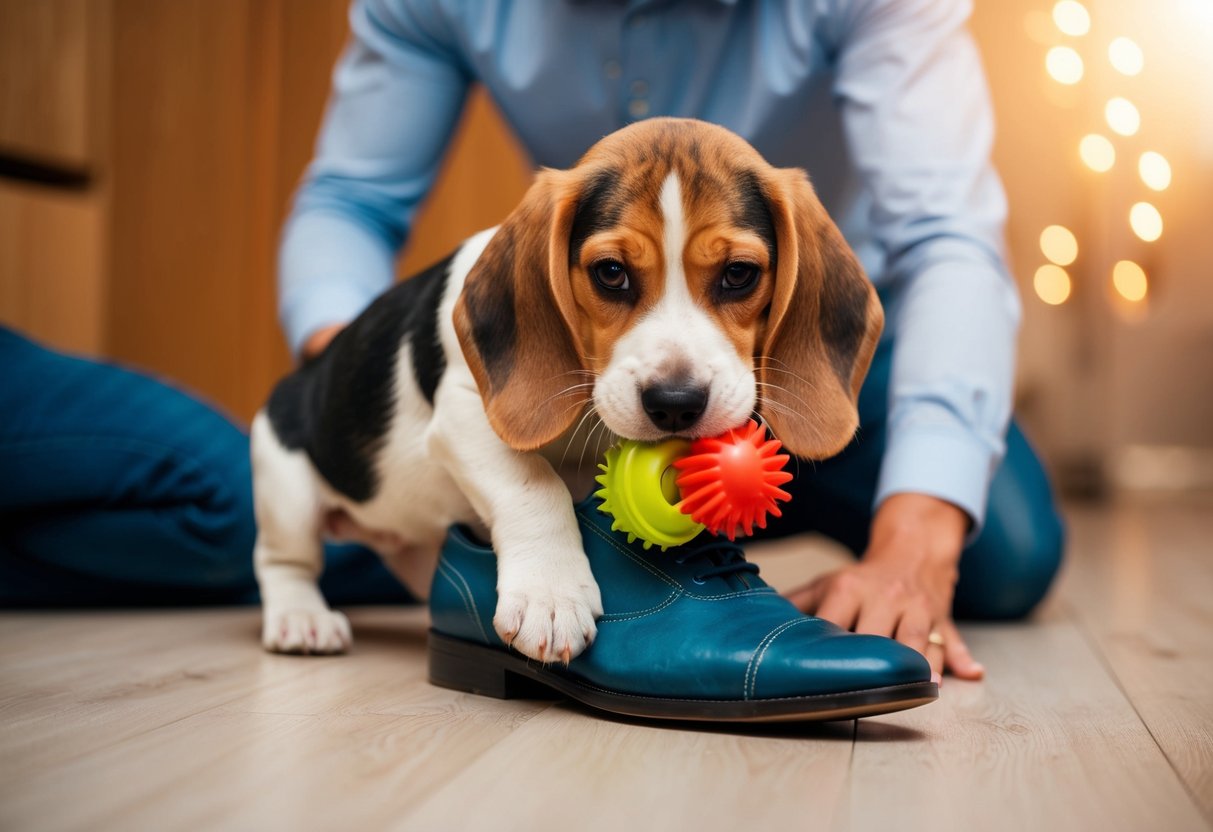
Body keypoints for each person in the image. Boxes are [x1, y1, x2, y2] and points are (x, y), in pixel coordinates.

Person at [2, 0, 1063, 681]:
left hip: (794, 346)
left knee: (1003, 550)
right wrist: (355, 374)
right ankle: (493, 557)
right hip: (566, 345)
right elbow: (349, 201)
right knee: (326, 501)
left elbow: (944, 238)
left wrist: (916, 539)